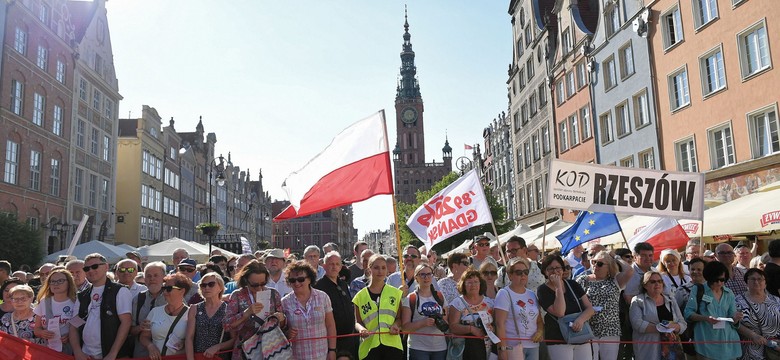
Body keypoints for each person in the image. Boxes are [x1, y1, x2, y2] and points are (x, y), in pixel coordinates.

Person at [70, 253, 133, 360]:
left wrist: (113, 353)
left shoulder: (120, 291)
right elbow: (74, 325)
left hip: (112, 356)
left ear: (106, 267)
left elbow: (126, 323)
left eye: (95, 266)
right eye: (86, 268)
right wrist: (77, 351)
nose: (90, 270)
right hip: (86, 355)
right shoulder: (82, 295)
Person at [575, 249, 633, 360]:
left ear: (609, 267)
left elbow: (629, 271)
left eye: (600, 263)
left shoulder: (615, 280)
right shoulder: (583, 280)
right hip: (588, 329)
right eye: (594, 262)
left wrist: (615, 257)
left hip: (610, 330)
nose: (596, 265)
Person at [224, 260, 285, 360]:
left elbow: (283, 326)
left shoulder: (273, 294)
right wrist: (246, 313)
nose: (259, 287)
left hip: (271, 349)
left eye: (263, 283)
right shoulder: (237, 295)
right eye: (255, 285)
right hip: (245, 350)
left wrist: (281, 318)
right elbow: (226, 325)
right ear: (245, 280)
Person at [537, 254, 594, 360]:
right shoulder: (542, 290)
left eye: (558, 267)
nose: (555, 271)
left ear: (563, 269)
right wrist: (558, 286)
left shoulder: (573, 284)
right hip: (558, 339)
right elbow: (560, 312)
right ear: (545, 272)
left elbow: (590, 309)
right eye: (550, 269)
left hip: (580, 335)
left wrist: (580, 320)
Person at [684, 260, 743, 360]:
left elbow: (732, 318)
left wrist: (736, 317)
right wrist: (705, 318)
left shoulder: (729, 293)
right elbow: (688, 313)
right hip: (706, 343)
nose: (719, 282)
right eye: (715, 280)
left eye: (722, 279)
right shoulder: (699, 290)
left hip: (728, 342)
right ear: (708, 278)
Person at [282, 260, 337, 359]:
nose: (297, 283)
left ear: (309, 279)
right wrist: (287, 334)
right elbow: (281, 331)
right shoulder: (284, 302)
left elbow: (330, 325)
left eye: (301, 279)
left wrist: (332, 350)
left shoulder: (323, 297)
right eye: (292, 280)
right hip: (297, 356)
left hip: (322, 355)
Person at [353, 254, 404, 360]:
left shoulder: (395, 293)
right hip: (370, 346)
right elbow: (357, 322)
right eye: (376, 268)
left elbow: (399, 318)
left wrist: (396, 325)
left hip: (392, 345)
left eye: (383, 268)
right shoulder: (360, 296)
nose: (380, 271)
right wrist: (361, 329)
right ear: (369, 269)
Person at [629, 271, 687, 360]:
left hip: (672, 350)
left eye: (659, 281)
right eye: (653, 282)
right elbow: (637, 324)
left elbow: (682, 323)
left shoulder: (671, 300)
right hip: (649, 350)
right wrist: (660, 328)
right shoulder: (637, 301)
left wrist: (674, 327)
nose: (657, 284)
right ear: (645, 285)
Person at [494, 257, 543, 360]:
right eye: (519, 272)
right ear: (510, 275)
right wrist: (502, 349)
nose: (523, 275)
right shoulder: (504, 293)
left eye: (526, 272)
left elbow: (538, 320)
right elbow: (499, 324)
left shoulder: (531, 294)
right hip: (513, 347)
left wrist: (540, 331)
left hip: (533, 346)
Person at [315, 251, 358, 359]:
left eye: (337, 264)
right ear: (324, 266)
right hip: (332, 340)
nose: (334, 267)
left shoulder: (343, 284)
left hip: (349, 338)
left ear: (341, 267)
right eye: (331, 264)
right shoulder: (319, 287)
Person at [401, 264, 448, 360]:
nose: (426, 277)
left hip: (440, 347)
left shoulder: (440, 297)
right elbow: (405, 328)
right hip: (418, 348)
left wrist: (439, 322)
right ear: (416, 278)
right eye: (422, 274)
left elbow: (446, 321)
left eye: (429, 274)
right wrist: (423, 323)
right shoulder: (411, 298)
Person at [140, 273, 192, 359]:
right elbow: (144, 337)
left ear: (182, 291)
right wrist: (150, 346)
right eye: (163, 288)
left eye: (168, 289)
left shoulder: (191, 313)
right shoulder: (155, 312)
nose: (164, 292)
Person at [184, 272, 234, 360]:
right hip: (198, 357)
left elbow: (234, 339)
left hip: (219, 357)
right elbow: (189, 338)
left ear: (220, 287)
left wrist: (218, 347)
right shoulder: (194, 308)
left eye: (211, 284)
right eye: (203, 285)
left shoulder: (228, 309)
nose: (207, 288)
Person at [448, 269, 495, 360]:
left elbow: (496, 324)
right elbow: (453, 326)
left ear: (480, 284)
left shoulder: (490, 303)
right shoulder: (457, 303)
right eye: (469, 282)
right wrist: (471, 329)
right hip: (466, 349)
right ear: (463, 285)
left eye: (476, 282)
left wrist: (492, 328)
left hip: (488, 349)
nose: (473, 285)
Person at [735, 268, 780, 360]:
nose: (756, 282)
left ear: (765, 283)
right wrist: (753, 335)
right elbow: (735, 324)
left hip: (775, 349)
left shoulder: (776, 300)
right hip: (750, 351)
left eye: (760, 279)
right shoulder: (737, 301)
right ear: (746, 282)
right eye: (752, 279)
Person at [32, 268, 77, 353]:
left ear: (69, 282)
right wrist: (42, 333)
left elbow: (82, 328)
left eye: (60, 281)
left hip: (69, 351)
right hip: (48, 351)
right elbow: (36, 329)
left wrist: (70, 336)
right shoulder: (44, 302)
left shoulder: (76, 302)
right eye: (52, 281)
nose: (55, 284)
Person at [131, 261, 169, 358]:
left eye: (156, 275)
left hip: (167, 354)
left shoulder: (172, 295)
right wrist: (140, 327)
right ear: (144, 279)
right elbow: (130, 330)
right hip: (142, 354)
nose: (152, 279)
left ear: (164, 277)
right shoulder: (138, 298)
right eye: (148, 276)